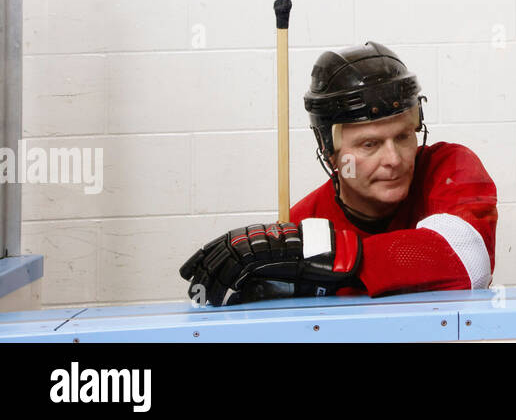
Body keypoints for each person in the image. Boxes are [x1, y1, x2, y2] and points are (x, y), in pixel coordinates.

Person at [179, 42, 498, 307]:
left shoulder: (448, 168)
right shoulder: (299, 225)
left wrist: (330, 259)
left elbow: (469, 260)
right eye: (370, 144)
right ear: (330, 153)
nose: (394, 159)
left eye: (403, 136)